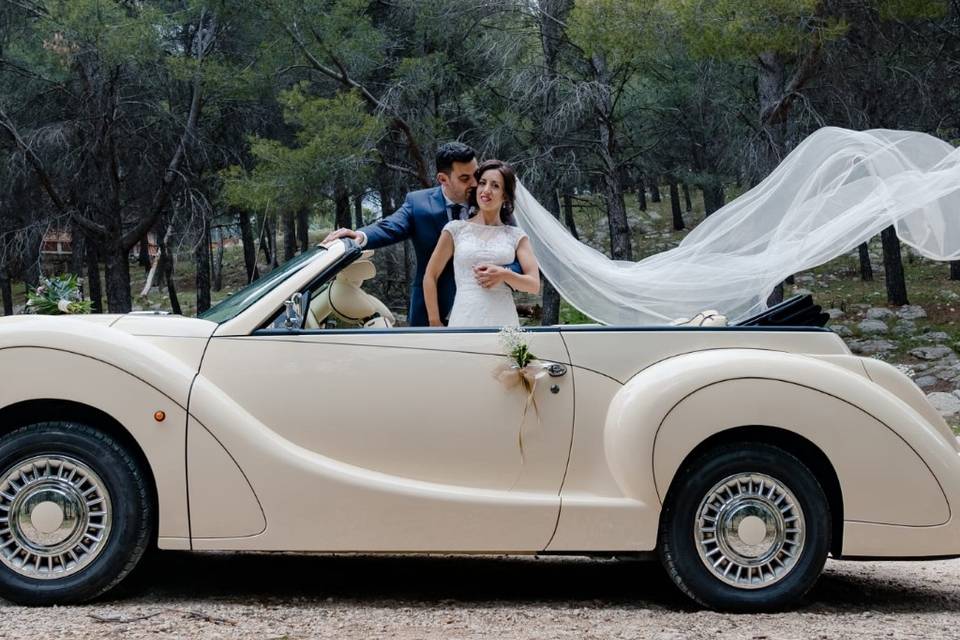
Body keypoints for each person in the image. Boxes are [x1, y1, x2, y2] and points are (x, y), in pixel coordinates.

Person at [322, 142, 518, 326]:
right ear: (443, 179)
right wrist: (360, 236)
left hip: (486, 309)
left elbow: (518, 258)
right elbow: (389, 227)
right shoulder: (418, 204)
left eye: (476, 174)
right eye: (465, 178)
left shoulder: (491, 204)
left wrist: (503, 274)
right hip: (429, 311)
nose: (476, 184)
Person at [423, 160, 540, 327]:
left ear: (505, 195)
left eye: (495, 186)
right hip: (464, 317)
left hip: (503, 320)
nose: (486, 190)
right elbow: (430, 276)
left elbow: (534, 285)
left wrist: (504, 274)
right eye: (482, 183)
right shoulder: (455, 229)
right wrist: (434, 320)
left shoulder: (516, 236)